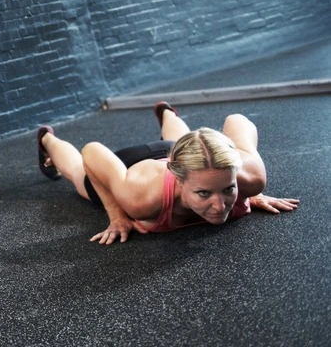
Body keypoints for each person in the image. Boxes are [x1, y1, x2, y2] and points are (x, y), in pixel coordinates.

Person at [35, 101, 299, 244]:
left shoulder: (249, 179)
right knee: (80, 175)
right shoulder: (141, 199)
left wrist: (250, 192)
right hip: (129, 166)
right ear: (178, 181)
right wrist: (117, 215)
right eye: (204, 193)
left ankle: (167, 113)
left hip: (178, 151)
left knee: (187, 143)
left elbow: (238, 120)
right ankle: (47, 140)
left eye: (228, 189)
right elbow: (93, 152)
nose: (220, 206)